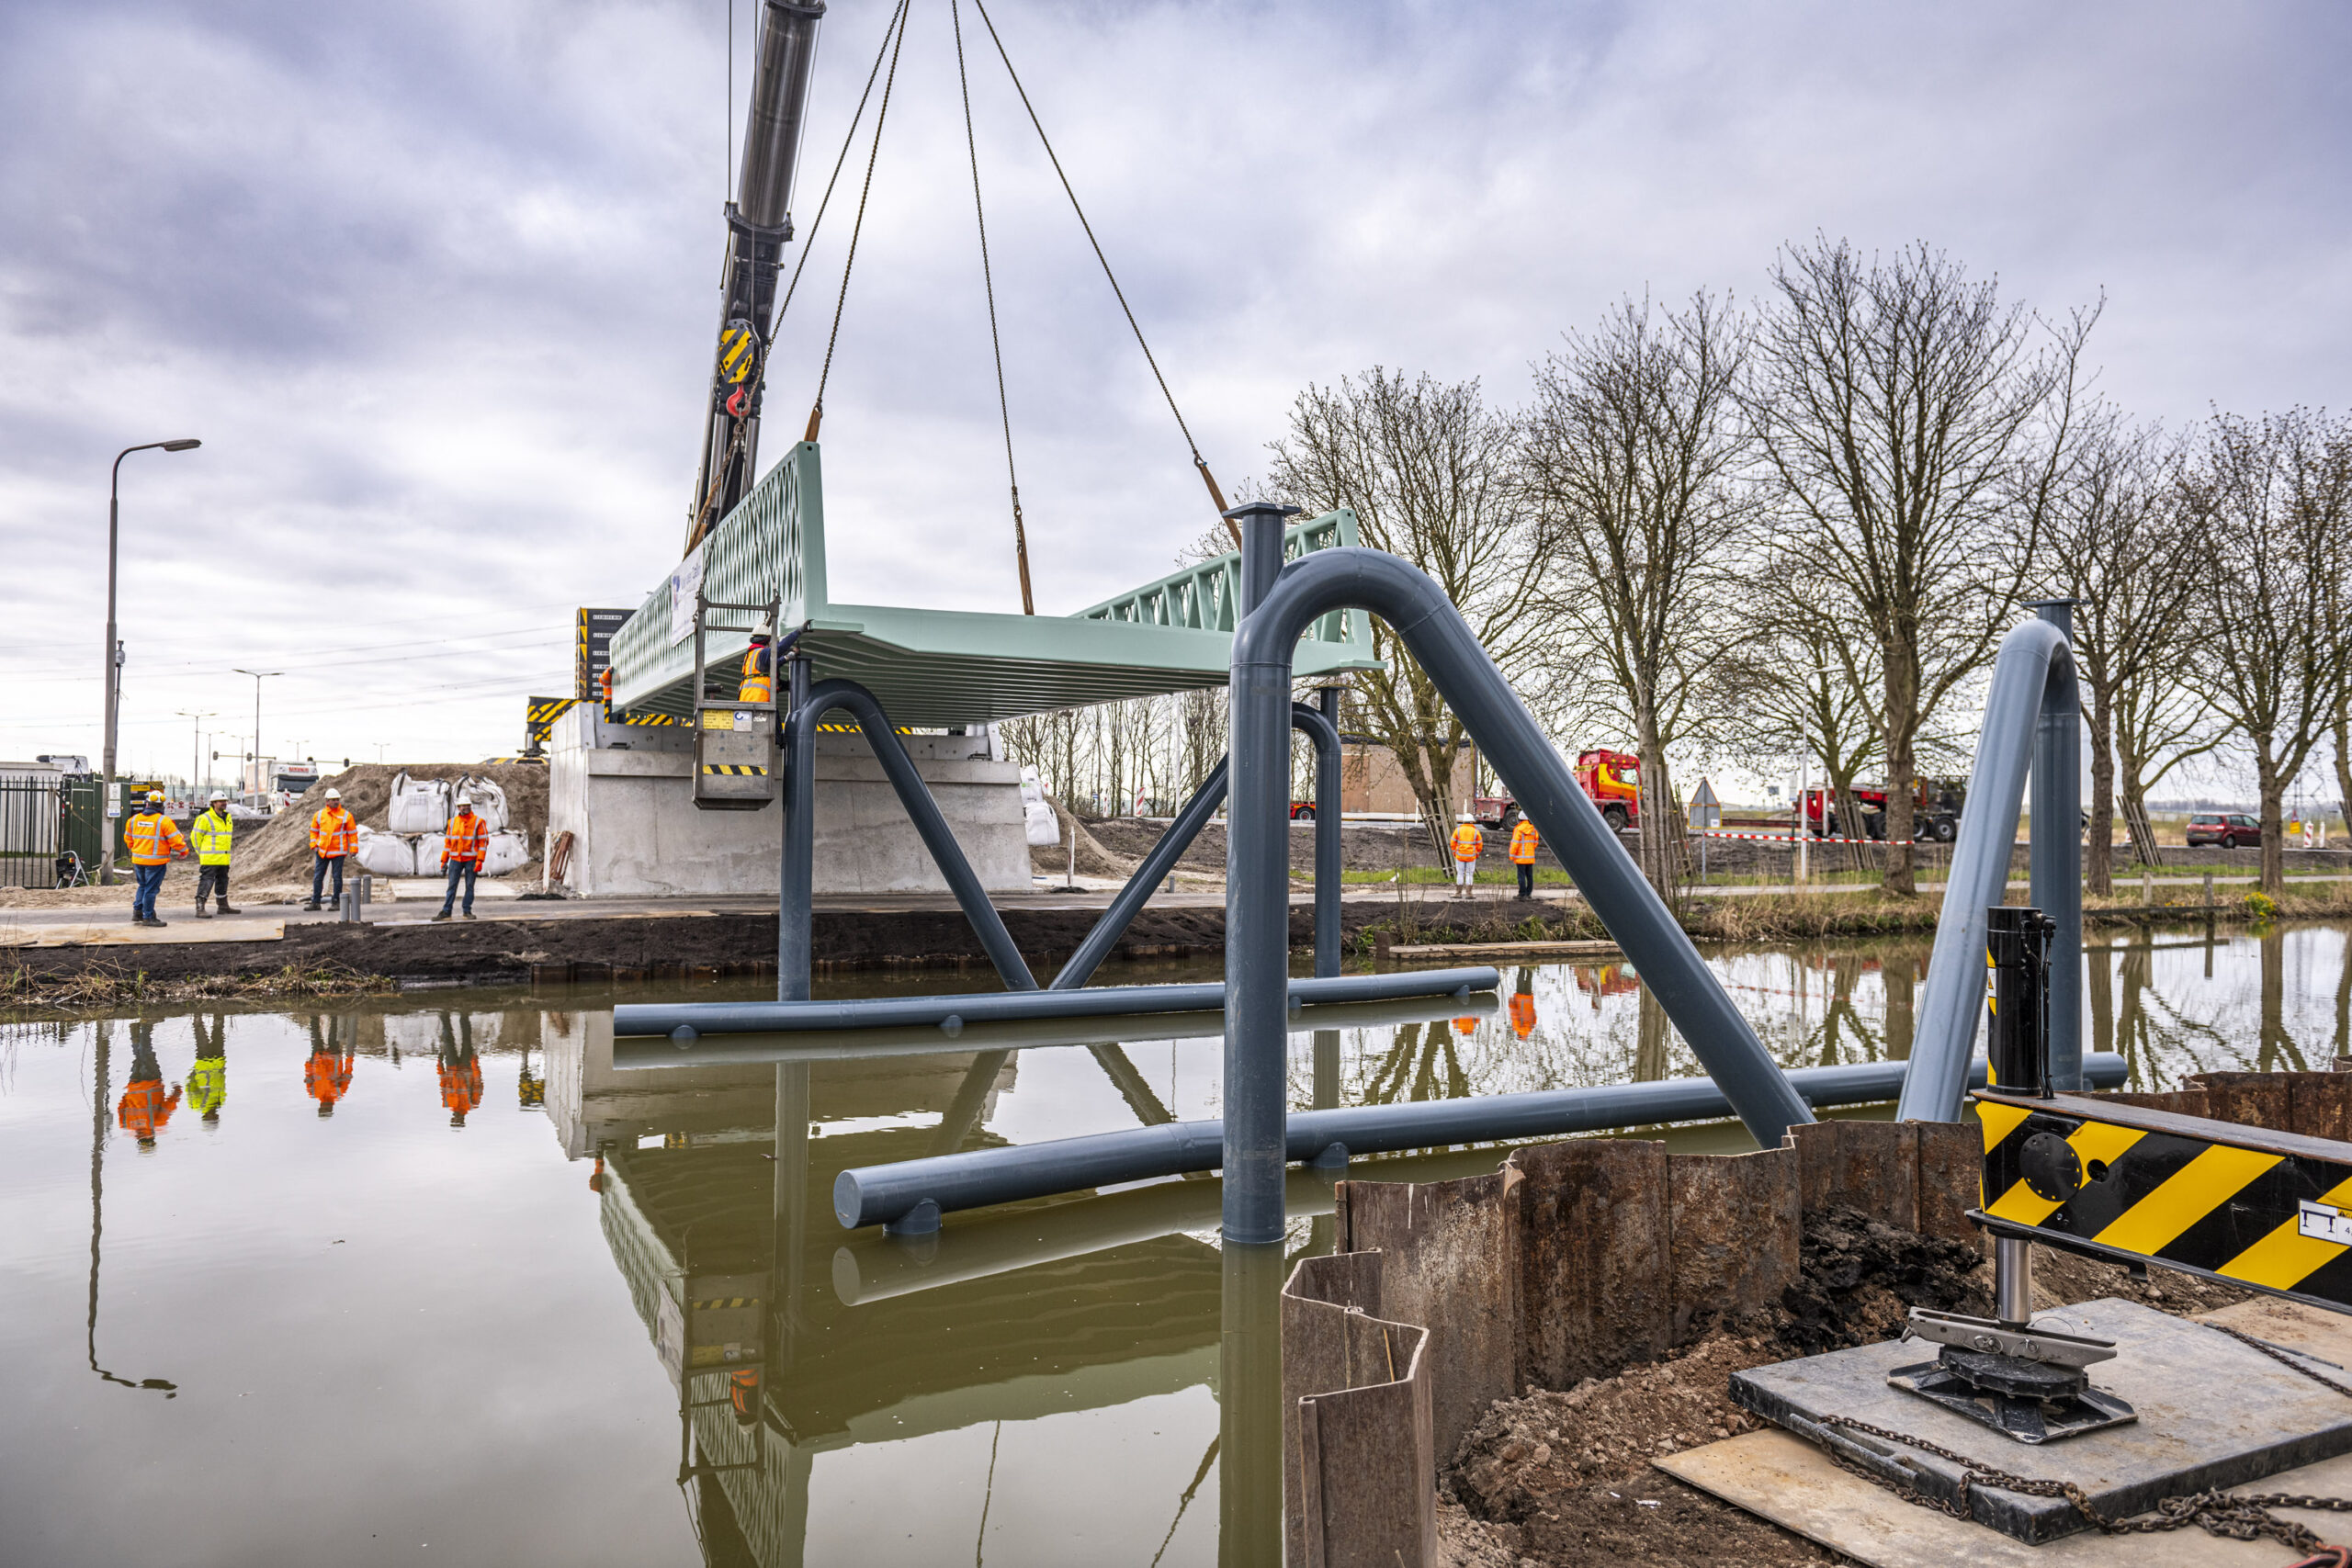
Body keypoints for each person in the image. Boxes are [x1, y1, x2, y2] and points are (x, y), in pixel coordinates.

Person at [123, 790, 188, 927]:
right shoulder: (164, 821)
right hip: (156, 862)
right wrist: (184, 851)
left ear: (147, 804)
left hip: (138, 860)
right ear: (161, 806)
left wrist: (136, 848)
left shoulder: (133, 819)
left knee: (143, 886)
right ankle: (148, 917)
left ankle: (138, 912)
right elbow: (176, 841)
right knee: (151, 890)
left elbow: (128, 839)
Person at [118, 1021, 181, 1149]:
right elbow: (122, 1105)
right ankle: (135, 1035)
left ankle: (146, 1025)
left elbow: (168, 1106)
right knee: (139, 1058)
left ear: (152, 1137)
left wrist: (177, 1091)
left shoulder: (158, 1123)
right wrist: (130, 1093)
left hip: (152, 1083)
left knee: (146, 1054)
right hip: (133, 1085)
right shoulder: (126, 1124)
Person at [433, 794, 488, 920]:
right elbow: (448, 843)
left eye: (468, 805)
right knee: (452, 886)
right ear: (458, 807)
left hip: (471, 860)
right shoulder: (452, 823)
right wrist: (444, 860)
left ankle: (467, 911)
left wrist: (480, 860)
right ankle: (446, 911)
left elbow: (483, 843)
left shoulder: (478, 822)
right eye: (463, 806)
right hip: (455, 860)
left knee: (469, 886)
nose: (466, 808)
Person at [189, 790, 239, 917]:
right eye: (221, 801)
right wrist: (201, 853)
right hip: (210, 858)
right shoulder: (204, 818)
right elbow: (195, 837)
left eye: (225, 801)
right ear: (213, 803)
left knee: (223, 880)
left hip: (224, 858)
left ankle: (223, 906)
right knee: (206, 881)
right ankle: (200, 908)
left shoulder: (227, 818)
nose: (224, 803)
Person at [306, 787, 356, 909]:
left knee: (337, 877)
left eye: (337, 800)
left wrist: (353, 849)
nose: (336, 802)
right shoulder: (319, 815)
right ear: (327, 801)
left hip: (338, 852)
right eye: (333, 800)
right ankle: (316, 902)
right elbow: (313, 831)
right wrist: (314, 846)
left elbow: (352, 833)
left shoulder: (346, 816)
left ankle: (336, 902)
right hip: (322, 851)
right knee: (318, 877)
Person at [436, 1016, 483, 1127]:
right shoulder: (472, 1104)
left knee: (448, 1041)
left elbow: (443, 1083)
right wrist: (475, 1064)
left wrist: (439, 1064)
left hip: (451, 1068)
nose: (456, 1118)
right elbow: (477, 1082)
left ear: (452, 1118)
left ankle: (445, 1015)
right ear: (463, 1120)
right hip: (466, 1066)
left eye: (454, 1120)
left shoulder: (447, 1103)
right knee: (467, 1041)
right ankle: (464, 1016)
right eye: (458, 1120)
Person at [302, 1020, 354, 1117]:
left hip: (318, 1057)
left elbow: (308, 1077)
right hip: (334, 1055)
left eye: (323, 1109)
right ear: (331, 1108)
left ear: (320, 1107)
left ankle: (313, 1012)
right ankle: (334, 1011)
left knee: (314, 1031)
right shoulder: (338, 1094)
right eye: (326, 1109)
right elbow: (347, 1075)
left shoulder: (313, 1093)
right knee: (334, 1030)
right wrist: (349, 1059)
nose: (325, 1107)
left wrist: (308, 1064)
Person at [187, 1013, 228, 1127]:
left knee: (200, 1036)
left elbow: (190, 1086)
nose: (215, 1116)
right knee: (218, 1033)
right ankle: (218, 1013)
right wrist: (222, 1068)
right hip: (218, 1062)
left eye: (212, 1118)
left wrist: (194, 1072)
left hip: (203, 1063)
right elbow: (222, 1083)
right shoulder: (220, 1101)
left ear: (205, 1117)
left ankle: (197, 1015)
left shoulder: (196, 1104)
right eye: (215, 1118)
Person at [739, 618, 775, 705]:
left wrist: (786, 658)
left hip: (745, 698)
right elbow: (779, 649)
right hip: (759, 699)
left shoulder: (750, 654)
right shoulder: (762, 652)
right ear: (767, 640)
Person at [1508, 812, 1540, 900]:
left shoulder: (1518, 829)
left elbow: (1515, 844)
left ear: (1519, 818)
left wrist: (1512, 855)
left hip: (1520, 858)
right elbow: (1535, 843)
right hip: (1530, 858)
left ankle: (1522, 894)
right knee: (1529, 876)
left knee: (1521, 876)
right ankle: (1528, 894)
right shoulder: (1533, 829)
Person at [1448, 818, 1484, 897]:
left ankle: (1458, 893)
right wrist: (1476, 853)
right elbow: (1480, 844)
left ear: (1463, 821)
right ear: (1471, 822)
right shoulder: (1475, 831)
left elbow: (1452, 842)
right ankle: (1469, 893)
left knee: (1460, 873)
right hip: (1471, 856)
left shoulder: (1458, 830)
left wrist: (1455, 852)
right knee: (1469, 874)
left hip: (1460, 855)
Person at [1509, 968, 1537, 1041]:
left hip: (1529, 999)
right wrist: (1511, 1003)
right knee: (1520, 980)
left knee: (1529, 979)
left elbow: (1535, 1015)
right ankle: (1522, 966)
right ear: (1519, 1035)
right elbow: (1514, 1014)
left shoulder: (1531, 1027)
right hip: (1520, 999)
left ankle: (1530, 966)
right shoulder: (1518, 1028)